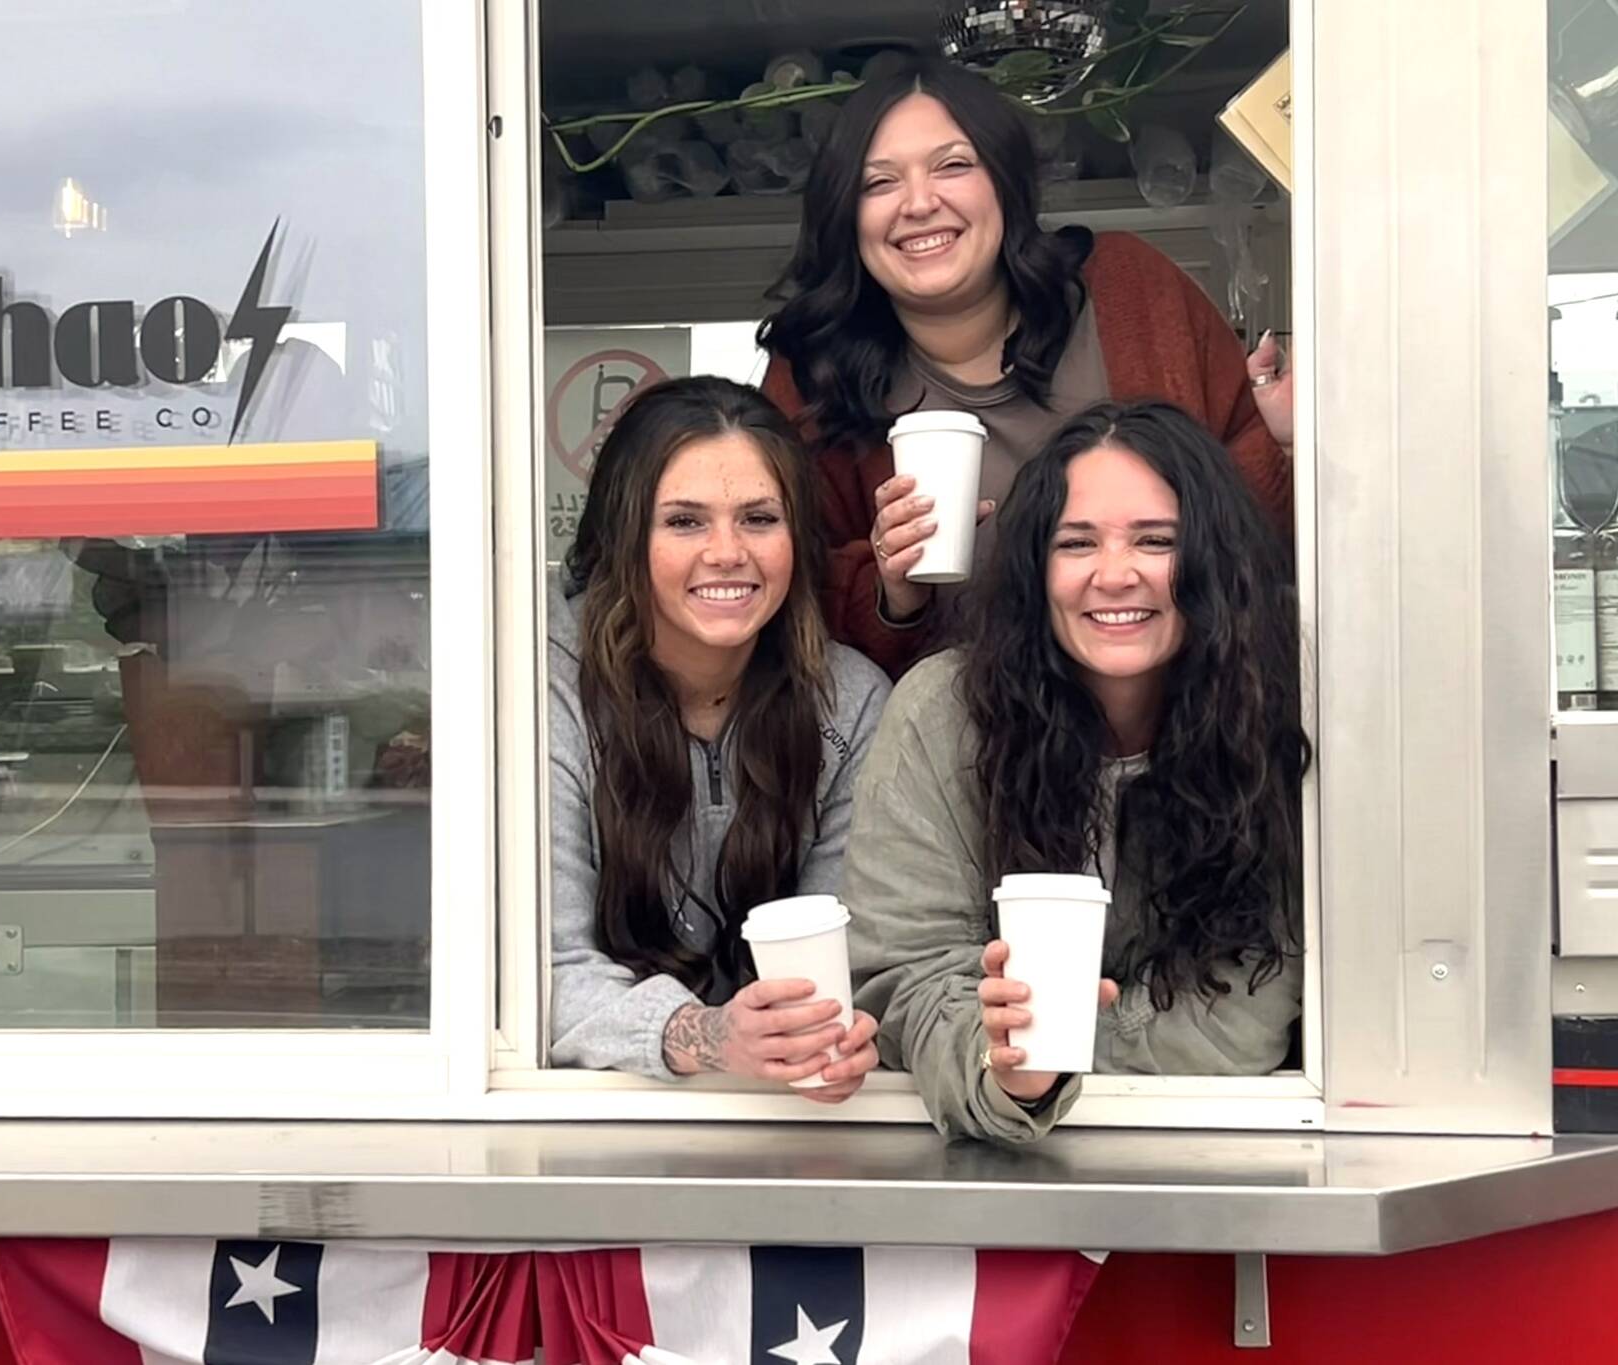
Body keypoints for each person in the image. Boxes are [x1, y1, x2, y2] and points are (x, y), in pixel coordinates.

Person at [844, 401, 1308, 1144]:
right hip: (989, 1166)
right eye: (1076, 542)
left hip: (1223, 1147)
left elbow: (1240, 1029)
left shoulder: (1280, 710)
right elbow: (902, 973)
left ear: (1213, 562)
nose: (1115, 574)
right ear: (1035, 566)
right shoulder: (942, 710)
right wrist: (1004, 1067)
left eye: (1157, 540)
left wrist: (1058, 1051)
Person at [759, 56, 1294, 676]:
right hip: (962, 740)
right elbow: (781, 603)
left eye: (953, 166)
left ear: (1007, 184)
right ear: (846, 218)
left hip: (1180, 713)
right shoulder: (809, 378)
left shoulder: (1130, 290)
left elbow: (1261, 532)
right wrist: (891, 594)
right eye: (878, 183)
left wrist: (1291, 447)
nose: (919, 202)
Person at [549, 376, 891, 1099]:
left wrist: (826, 1038)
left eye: (760, 518)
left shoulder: (852, 700)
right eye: (684, 521)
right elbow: (541, 968)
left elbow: (851, 967)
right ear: (623, 535)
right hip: (583, 1115)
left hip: (777, 1123)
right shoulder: (543, 683)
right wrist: (701, 1036)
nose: (728, 551)